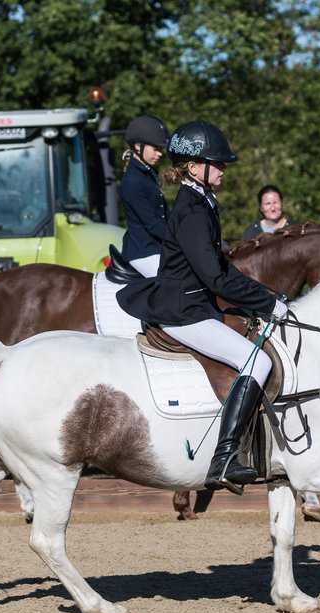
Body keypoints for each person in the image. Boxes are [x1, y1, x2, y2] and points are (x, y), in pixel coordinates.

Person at [116, 120, 288, 494]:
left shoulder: (202, 201)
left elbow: (223, 267)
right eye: (218, 163)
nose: (223, 169)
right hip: (183, 311)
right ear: (194, 168)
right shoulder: (192, 211)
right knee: (258, 362)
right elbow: (216, 279)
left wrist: (265, 296)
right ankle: (224, 458)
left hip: (195, 304)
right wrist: (269, 303)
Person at [119, 115, 170, 277]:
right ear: (138, 146)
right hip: (144, 252)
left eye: (160, 149)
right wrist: (181, 238)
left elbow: (164, 214)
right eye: (155, 148)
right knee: (173, 285)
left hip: (158, 246)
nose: (160, 153)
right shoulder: (132, 181)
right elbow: (152, 224)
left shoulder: (149, 173)